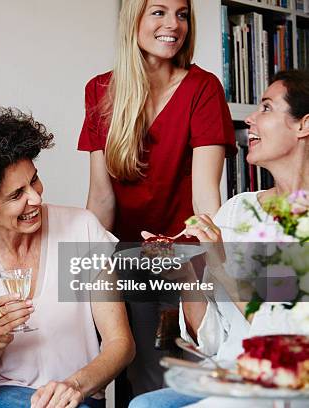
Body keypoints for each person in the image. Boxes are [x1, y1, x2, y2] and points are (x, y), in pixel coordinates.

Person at [77, 0, 237, 395]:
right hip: (127, 260)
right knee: (135, 379)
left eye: (182, 14)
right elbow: (101, 202)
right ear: (135, 19)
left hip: (184, 258)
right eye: (159, 12)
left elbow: (206, 200)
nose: (173, 25)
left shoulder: (203, 88)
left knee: (177, 381)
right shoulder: (100, 90)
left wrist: (214, 269)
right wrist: (81, 269)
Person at [0, 108, 135, 408]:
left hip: (76, 399)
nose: (36, 198)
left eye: (34, 181)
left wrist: (74, 385)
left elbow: (121, 344)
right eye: (16, 195)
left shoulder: (80, 231)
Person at [130, 70, 309, 408]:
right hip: (232, 371)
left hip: (287, 383)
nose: (251, 120)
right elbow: (211, 339)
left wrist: (221, 264)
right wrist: (184, 273)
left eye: (267, 108)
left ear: (303, 125)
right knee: (143, 405)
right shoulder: (237, 210)